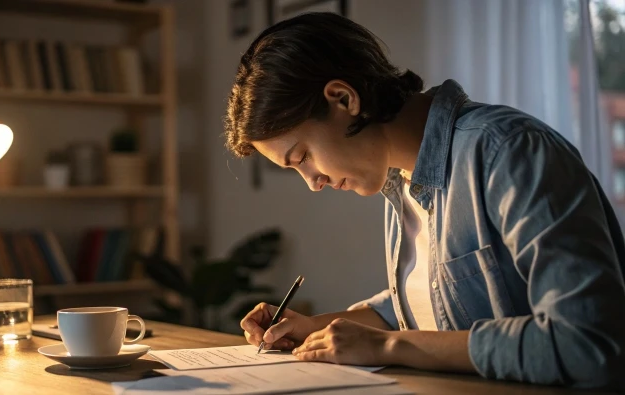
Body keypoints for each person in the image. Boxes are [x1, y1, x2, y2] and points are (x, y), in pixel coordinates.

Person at [224, 12, 625, 390]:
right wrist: (315, 328)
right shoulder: (399, 179)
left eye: (302, 157)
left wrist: (390, 346)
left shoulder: (509, 152)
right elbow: (432, 303)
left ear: (344, 99)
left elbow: (588, 344)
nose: (312, 182)